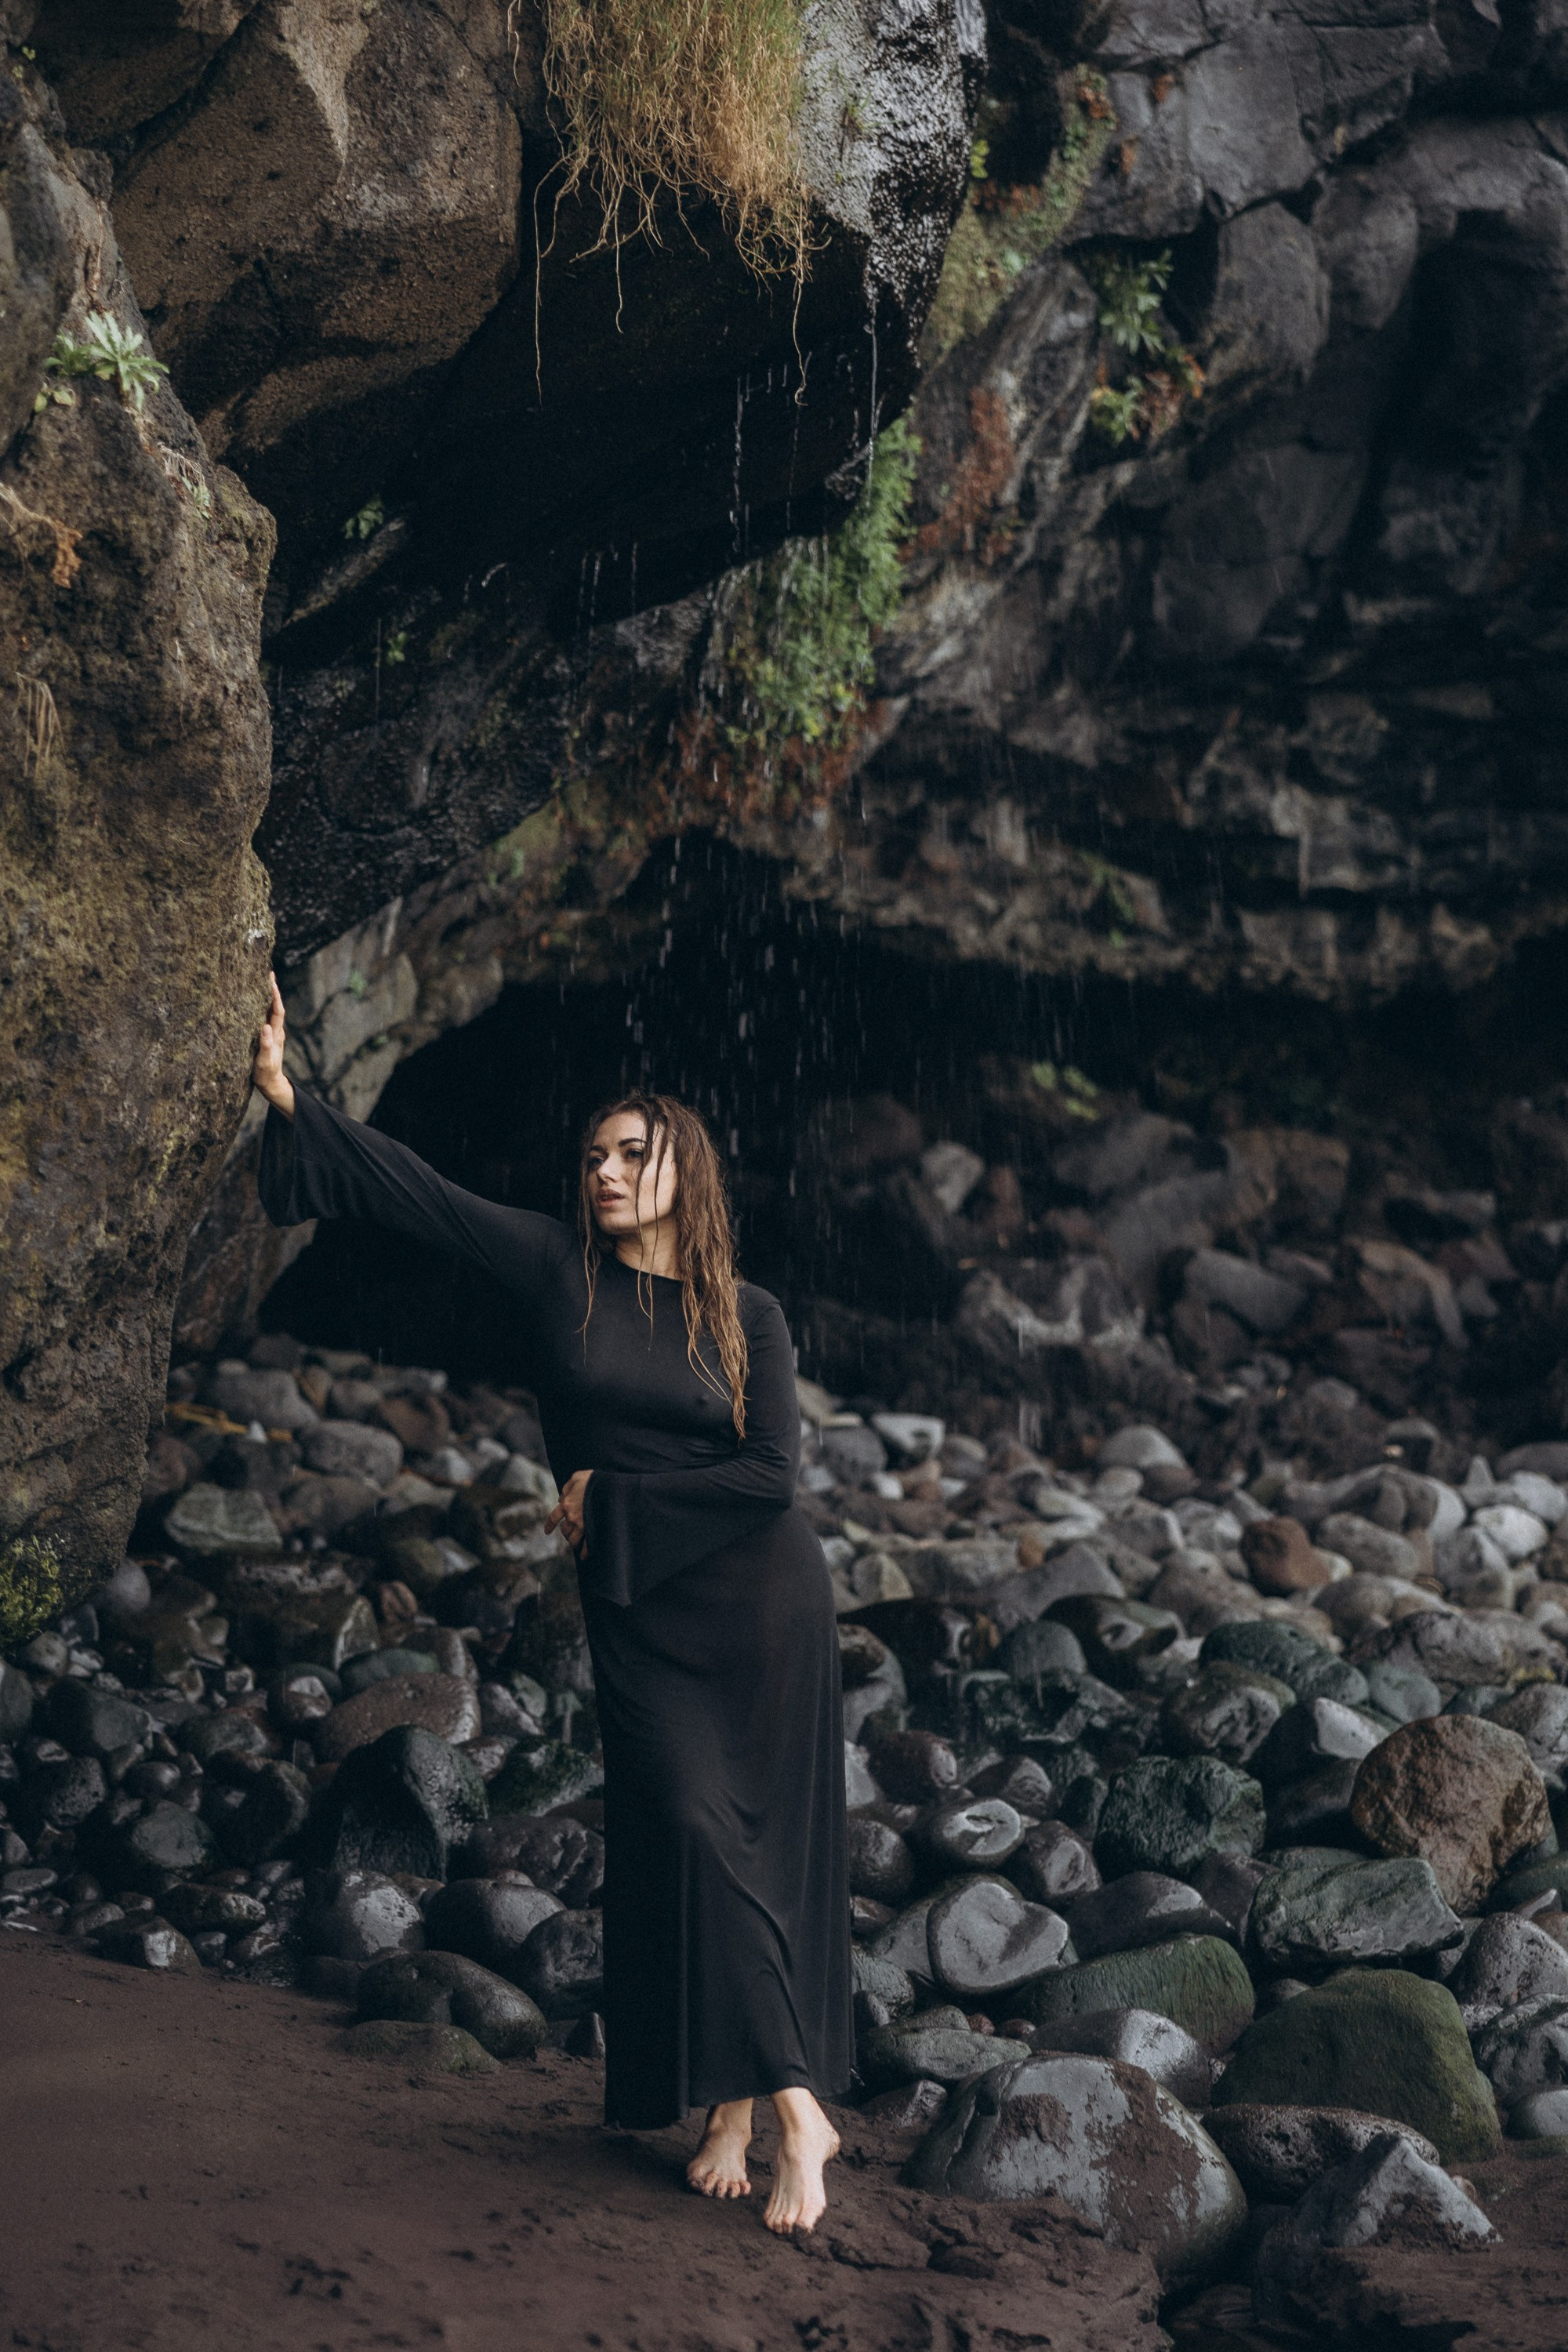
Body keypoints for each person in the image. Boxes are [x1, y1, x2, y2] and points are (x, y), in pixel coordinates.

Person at [249, 976, 851, 2231]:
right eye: (594, 1157)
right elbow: (423, 1199)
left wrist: (608, 1497)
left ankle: (776, 2111)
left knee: (759, 1856)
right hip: (643, 1616)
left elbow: (769, 1477)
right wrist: (290, 1091)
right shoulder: (558, 1272)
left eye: (634, 1155)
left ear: (685, 1168)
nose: (607, 1173)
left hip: (763, 1611)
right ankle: (766, 2102)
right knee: (688, 1835)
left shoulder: (752, 1319)